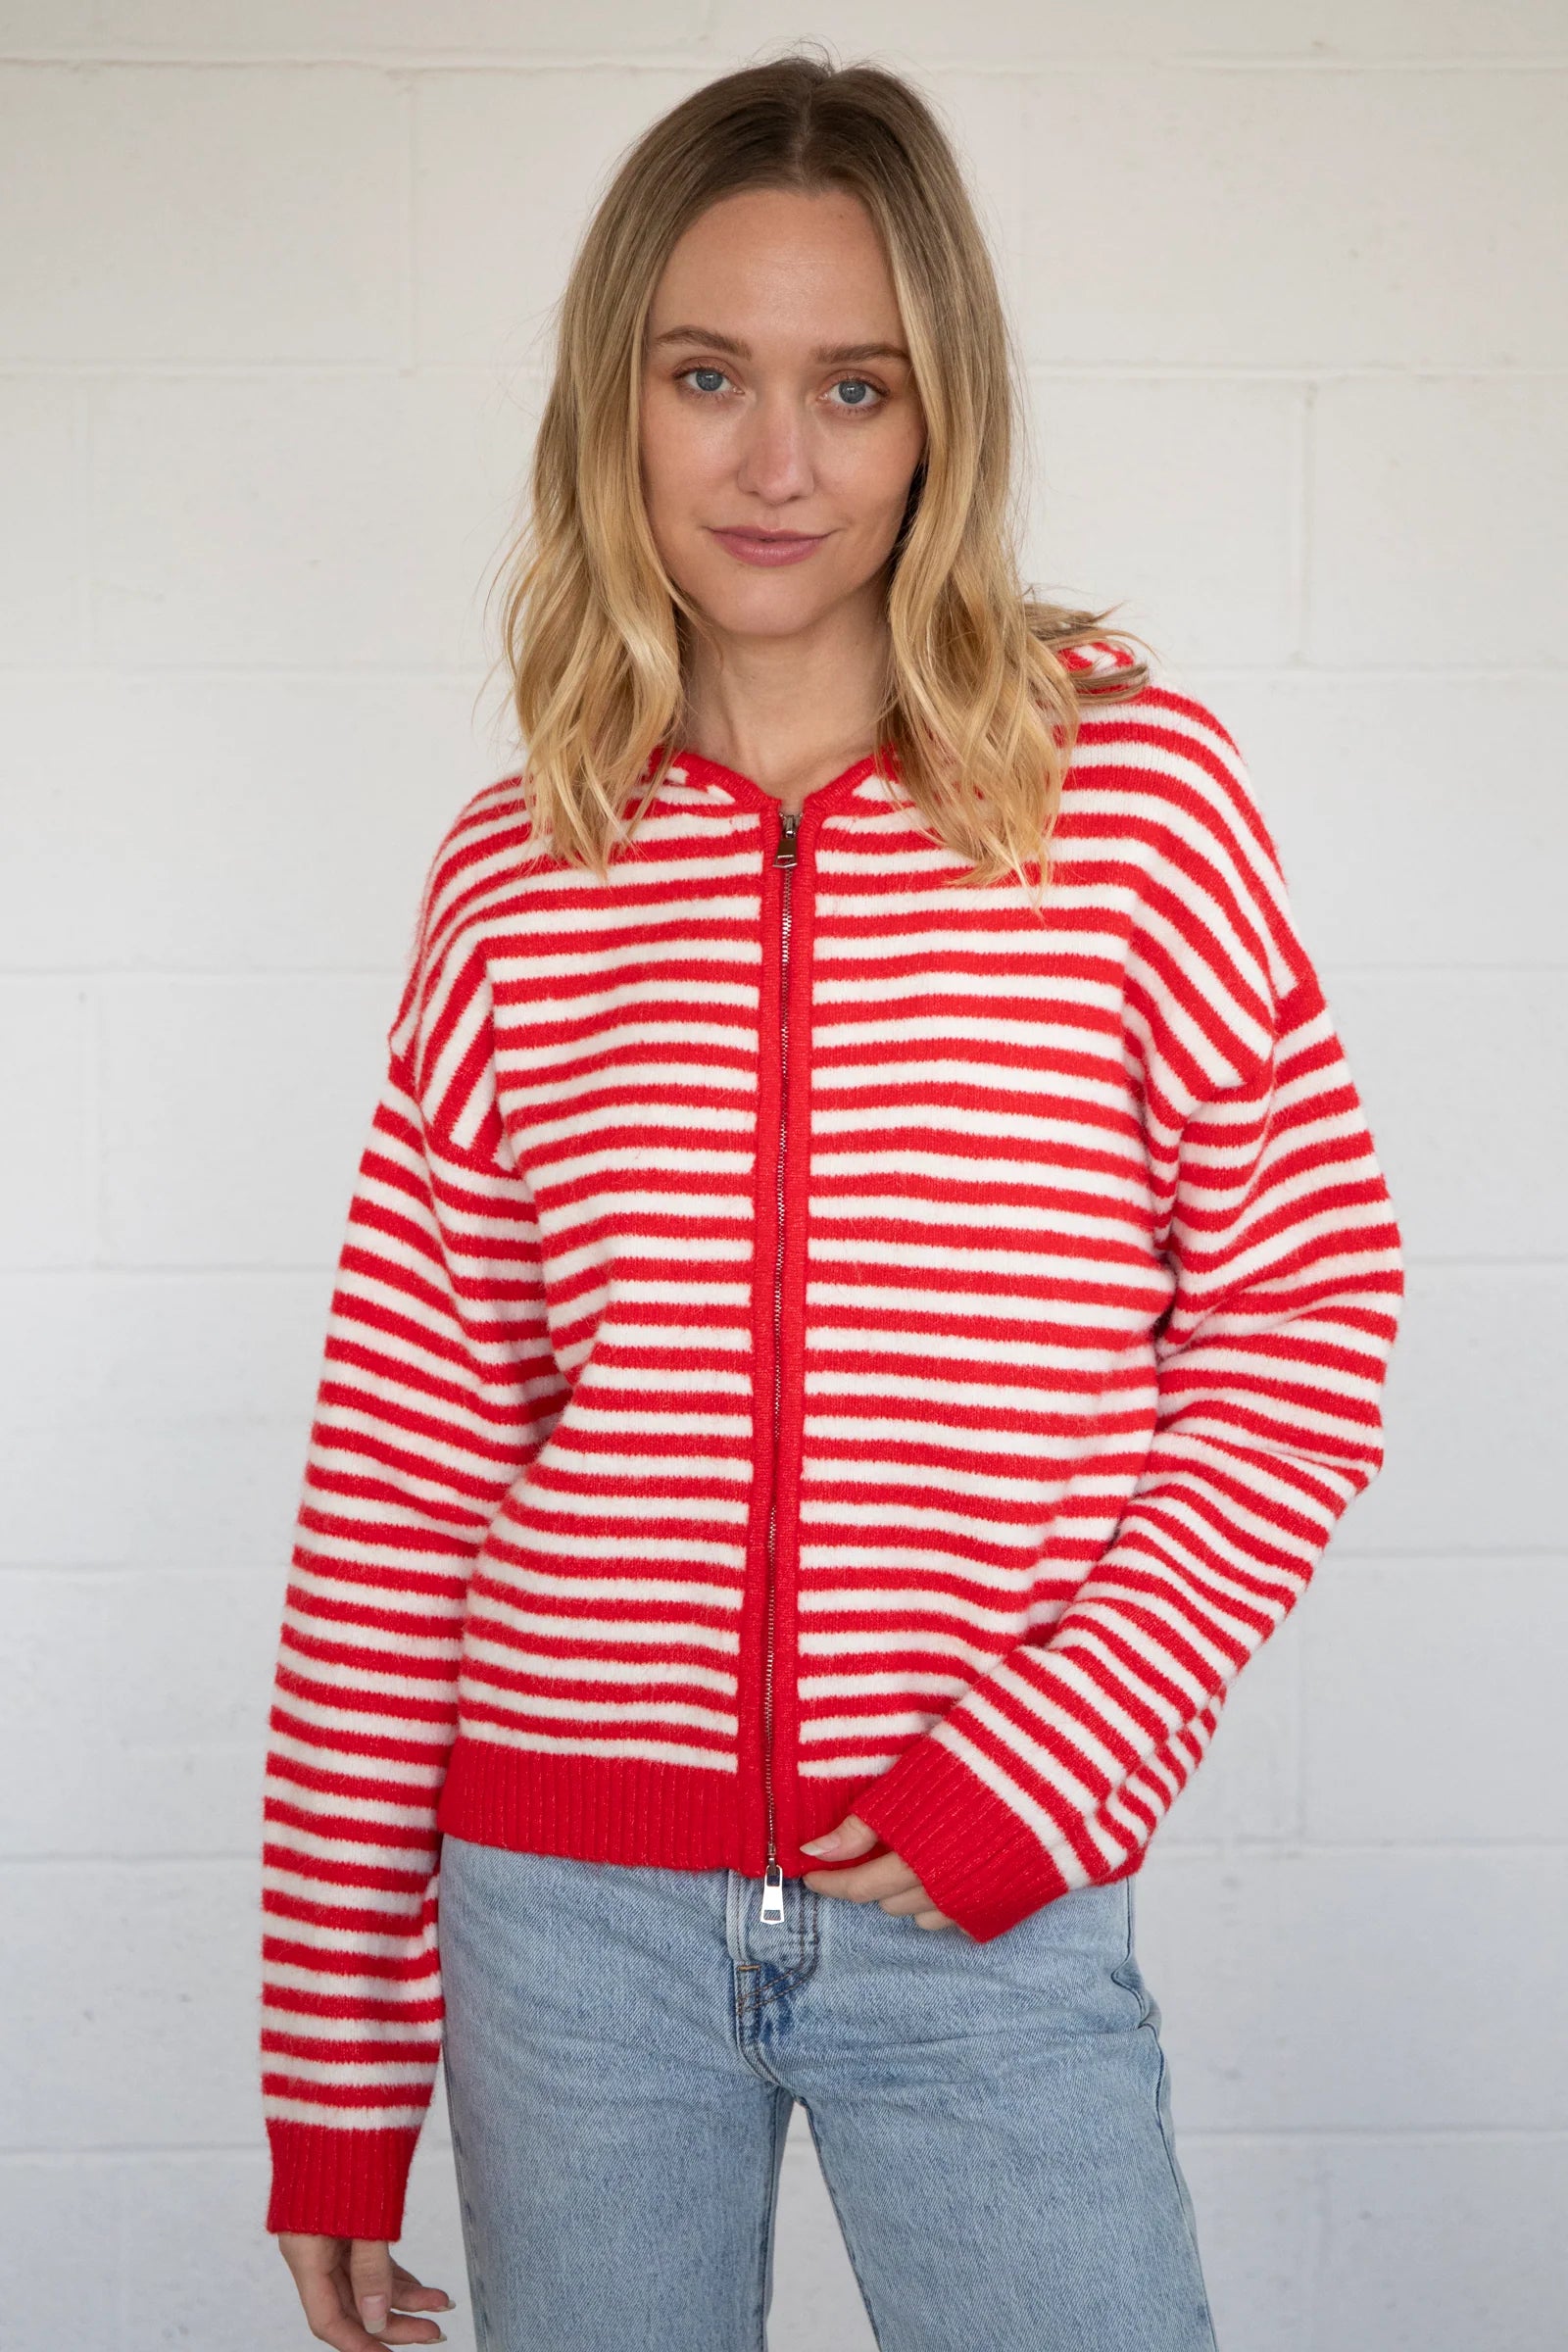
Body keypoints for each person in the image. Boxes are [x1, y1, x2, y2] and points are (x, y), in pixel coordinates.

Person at [261, 45, 1402, 2352]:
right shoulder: (519, 877)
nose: (775, 463)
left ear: (936, 418)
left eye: (851, 387)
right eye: (707, 377)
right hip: (561, 1922)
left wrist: (1059, 1753)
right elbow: (397, 1479)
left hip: (979, 1892)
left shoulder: (1124, 809)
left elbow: (1303, 1325)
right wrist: (333, 2087)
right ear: (614, 399)